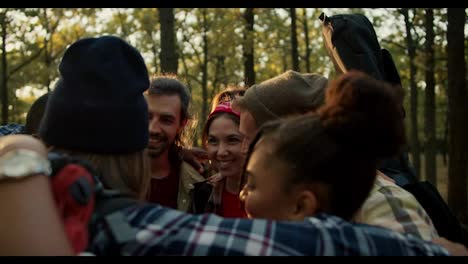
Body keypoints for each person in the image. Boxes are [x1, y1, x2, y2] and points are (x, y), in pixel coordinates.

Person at [0, 36, 458, 256]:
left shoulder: (380, 197)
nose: (226, 154)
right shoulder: (167, 216)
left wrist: (21, 153)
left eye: (244, 137)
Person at [232, 69, 438, 240]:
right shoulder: (286, 194)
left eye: (251, 140)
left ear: (292, 133)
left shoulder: (382, 202)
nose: (243, 150)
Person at [144, 75, 205, 212]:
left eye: (166, 120)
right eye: (146, 116)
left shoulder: (198, 182)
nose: (152, 129)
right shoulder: (110, 172)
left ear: (182, 124)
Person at [192, 88, 247, 217]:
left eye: (232, 140)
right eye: (213, 141)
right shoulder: (202, 194)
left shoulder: (274, 196)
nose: (221, 152)